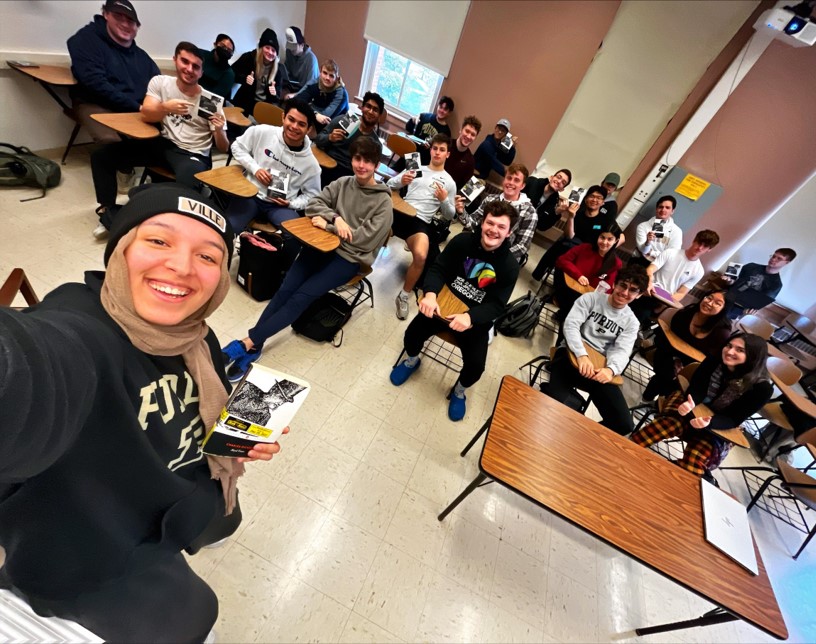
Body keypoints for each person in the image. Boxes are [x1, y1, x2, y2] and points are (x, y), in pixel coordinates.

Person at [0, 183, 284, 642]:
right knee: (198, 618)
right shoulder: (81, 329)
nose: (182, 266)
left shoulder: (197, 336)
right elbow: (29, 371)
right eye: (158, 240)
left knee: (225, 520)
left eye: (208, 256)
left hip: (182, 495)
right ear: (121, 251)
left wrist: (235, 437)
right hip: (94, 544)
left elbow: (208, 399)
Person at [221, 137, 393, 381]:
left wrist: (328, 226)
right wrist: (336, 219)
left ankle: (246, 343)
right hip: (319, 244)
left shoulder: (383, 202)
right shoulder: (343, 183)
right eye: (357, 159)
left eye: (368, 161)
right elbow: (314, 204)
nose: (361, 165)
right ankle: (256, 345)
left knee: (300, 297)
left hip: (348, 257)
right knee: (285, 290)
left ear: (376, 165)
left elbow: (364, 240)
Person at [389, 200, 521, 421]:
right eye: (490, 223)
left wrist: (470, 317)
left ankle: (459, 391)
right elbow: (438, 268)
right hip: (441, 305)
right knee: (411, 335)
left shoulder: (510, 266)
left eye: (501, 227)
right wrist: (430, 294)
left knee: (476, 367)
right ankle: (412, 360)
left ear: (508, 233)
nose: (493, 230)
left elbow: (497, 304)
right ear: (482, 222)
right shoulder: (462, 241)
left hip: (472, 319)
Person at [90, 42, 229, 240]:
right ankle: (108, 212)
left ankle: (143, 201)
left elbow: (223, 148)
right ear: (175, 60)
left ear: (201, 72)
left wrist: (219, 130)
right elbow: (146, 114)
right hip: (163, 143)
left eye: (196, 66)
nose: (189, 69)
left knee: (186, 188)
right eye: (185, 62)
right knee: (102, 156)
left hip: (193, 153)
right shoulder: (160, 83)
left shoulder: (210, 101)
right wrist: (165, 108)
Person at [631, 333, 773, 476]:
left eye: (740, 350)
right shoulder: (714, 358)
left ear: (753, 357)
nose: (730, 351)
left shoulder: (762, 388)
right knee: (668, 424)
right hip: (692, 403)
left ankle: (668, 480)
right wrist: (691, 403)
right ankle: (628, 447)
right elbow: (697, 387)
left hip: (719, 422)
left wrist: (709, 421)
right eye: (729, 345)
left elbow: (733, 418)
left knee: (695, 460)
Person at [540, 265, 649, 435]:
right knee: (552, 405)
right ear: (614, 284)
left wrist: (610, 370)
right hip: (570, 356)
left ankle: (580, 436)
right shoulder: (590, 299)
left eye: (633, 290)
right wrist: (581, 355)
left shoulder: (632, 322)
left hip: (598, 368)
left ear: (639, 295)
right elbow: (571, 326)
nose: (625, 292)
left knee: (624, 424)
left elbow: (621, 350)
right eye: (622, 285)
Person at [225, 98, 321, 266]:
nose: (294, 127)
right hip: (251, 194)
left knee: (295, 237)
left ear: (309, 129)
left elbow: (312, 196)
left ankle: (279, 273)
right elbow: (237, 147)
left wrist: (291, 203)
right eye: (291, 119)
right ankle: (220, 265)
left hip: (279, 206)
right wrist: (255, 168)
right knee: (229, 226)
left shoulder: (311, 164)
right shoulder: (262, 132)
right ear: (283, 117)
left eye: (301, 124)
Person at [66, 0, 160, 144]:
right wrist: (139, 108)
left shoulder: (142, 56)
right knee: (111, 142)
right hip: (96, 103)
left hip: (136, 106)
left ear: (137, 27)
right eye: (118, 17)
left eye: (130, 21)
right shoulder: (85, 40)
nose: (125, 24)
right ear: (106, 15)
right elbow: (96, 84)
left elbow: (158, 83)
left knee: (169, 133)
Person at [388, 133, 457, 320]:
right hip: (401, 212)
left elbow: (450, 215)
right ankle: (358, 268)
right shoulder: (415, 166)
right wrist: (401, 181)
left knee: (421, 255)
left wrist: (444, 200)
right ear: (431, 149)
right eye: (435, 148)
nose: (437, 152)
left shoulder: (449, 182)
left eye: (442, 150)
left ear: (447, 154)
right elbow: (389, 184)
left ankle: (403, 295)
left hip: (420, 222)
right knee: (375, 233)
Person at [641, 289, 732, 401]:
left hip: (693, 365)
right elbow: (667, 338)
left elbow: (711, 362)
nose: (709, 303)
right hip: (668, 352)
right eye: (709, 297)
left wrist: (686, 368)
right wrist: (676, 361)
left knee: (681, 381)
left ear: (723, 309)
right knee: (667, 374)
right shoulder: (687, 312)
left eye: (717, 303)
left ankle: (658, 401)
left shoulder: (721, 333)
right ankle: (650, 399)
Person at [630, 229, 720, 325]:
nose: (700, 248)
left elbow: (681, 293)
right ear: (694, 240)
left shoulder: (699, 271)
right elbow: (650, 269)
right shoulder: (670, 253)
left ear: (709, 249)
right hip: (648, 291)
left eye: (705, 246)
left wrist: (666, 302)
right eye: (699, 243)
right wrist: (649, 282)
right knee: (640, 313)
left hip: (663, 300)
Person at [531, 184, 619, 281]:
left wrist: (605, 247)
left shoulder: (606, 220)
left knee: (566, 252)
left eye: (599, 198)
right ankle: (541, 275)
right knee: (561, 245)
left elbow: (620, 236)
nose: (594, 200)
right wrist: (571, 217)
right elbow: (570, 236)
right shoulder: (578, 214)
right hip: (571, 246)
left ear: (602, 202)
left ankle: (560, 280)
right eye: (592, 196)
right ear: (586, 199)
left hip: (589, 252)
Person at [455, 162, 537, 265]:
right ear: (504, 180)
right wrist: (461, 212)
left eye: (516, 180)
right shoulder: (490, 199)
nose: (511, 183)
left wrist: (495, 255)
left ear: (523, 185)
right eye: (509, 178)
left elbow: (522, 246)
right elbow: (473, 225)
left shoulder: (529, 212)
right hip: (478, 249)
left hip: (501, 260)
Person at [553, 221, 623, 320]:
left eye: (609, 239)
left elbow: (608, 288)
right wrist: (578, 275)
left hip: (589, 299)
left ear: (616, 241)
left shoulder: (616, 263)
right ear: (598, 236)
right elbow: (562, 260)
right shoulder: (585, 248)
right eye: (602, 237)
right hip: (570, 289)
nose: (604, 242)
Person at [314, 91, 384, 186]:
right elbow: (318, 139)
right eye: (368, 106)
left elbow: (370, 171)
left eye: (375, 110)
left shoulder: (375, 143)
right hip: (325, 166)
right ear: (362, 108)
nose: (371, 111)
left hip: (349, 179)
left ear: (379, 116)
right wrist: (329, 138)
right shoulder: (344, 120)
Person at [723, 248, 797, 319]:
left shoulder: (776, 284)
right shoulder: (751, 266)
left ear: (787, 262)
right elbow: (732, 282)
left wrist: (748, 312)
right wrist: (729, 281)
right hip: (725, 296)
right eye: (773, 256)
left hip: (737, 308)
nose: (773, 259)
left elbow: (759, 303)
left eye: (779, 258)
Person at [231, 28, 290, 115]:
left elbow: (277, 98)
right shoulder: (249, 58)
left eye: (273, 50)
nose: (270, 52)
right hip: (244, 104)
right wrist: (244, 79)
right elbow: (231, 73)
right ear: (261, 48)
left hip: (264, 107)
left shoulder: (279, 70)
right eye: (267, 48)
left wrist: (274, 93)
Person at [629, 196, 683, 267]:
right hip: (639, 261)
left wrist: (651, 253)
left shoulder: (677, 231)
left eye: (667, 208)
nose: (663, 210)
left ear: (672, 211)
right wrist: (647, 242)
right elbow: (643, 251)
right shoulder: (643, 226)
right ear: (656, 209)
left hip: (659, 264)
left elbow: (672, 255)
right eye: (661, 207)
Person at [294, 59, 349, 128]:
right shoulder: (314, 83)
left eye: (331, 76)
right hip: (316, 114)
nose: (327, 78)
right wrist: (315, 114)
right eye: (325, 73)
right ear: (320, 72)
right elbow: (295, 101)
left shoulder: (341, 94)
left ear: (336, 78)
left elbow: (325, 119)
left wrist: (309, 109)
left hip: (336, 124)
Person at [524, 167, 572, 235]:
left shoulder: (554, 202)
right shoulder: (532, 182)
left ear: (562, 189)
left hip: (528, 229)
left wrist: (557, 212)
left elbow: (542, 227)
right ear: (551, 177)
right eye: (558, 177)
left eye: (563, 182)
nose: (559, 181)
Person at [407, 96, 454, 165]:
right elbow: (408, 128)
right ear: (437, 106)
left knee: (410, 170)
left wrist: (431, 148)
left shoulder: (446, 132)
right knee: (397, 168)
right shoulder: (425, 116)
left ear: (449, 112)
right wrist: (412, 120)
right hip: (411, 152)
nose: (442, 111)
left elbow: (440, 153)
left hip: (425, 160)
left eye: (445, 109)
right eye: (440, 107)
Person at [445, 115, 482, 191]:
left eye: (473, 134)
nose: (468, 136)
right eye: (467, 131)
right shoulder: (445, 145)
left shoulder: (470, 161)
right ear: (461, 130)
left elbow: (463, 188)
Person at [283, 26, 319, 94]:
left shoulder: (311, 60)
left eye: (294, 46)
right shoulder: (289, 52)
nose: (291, 49)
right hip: (292, 88)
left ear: (302, 45)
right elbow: (286, 71)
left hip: (306, 92)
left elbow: (311, 86)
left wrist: (295, 95)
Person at [199, 33, 236, 101]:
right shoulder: (200, 55)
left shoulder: (229, 74)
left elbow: (214, 100)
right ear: (215, 44)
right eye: (223, 46)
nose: (225, 50)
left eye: (229, 50)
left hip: (207, 103)